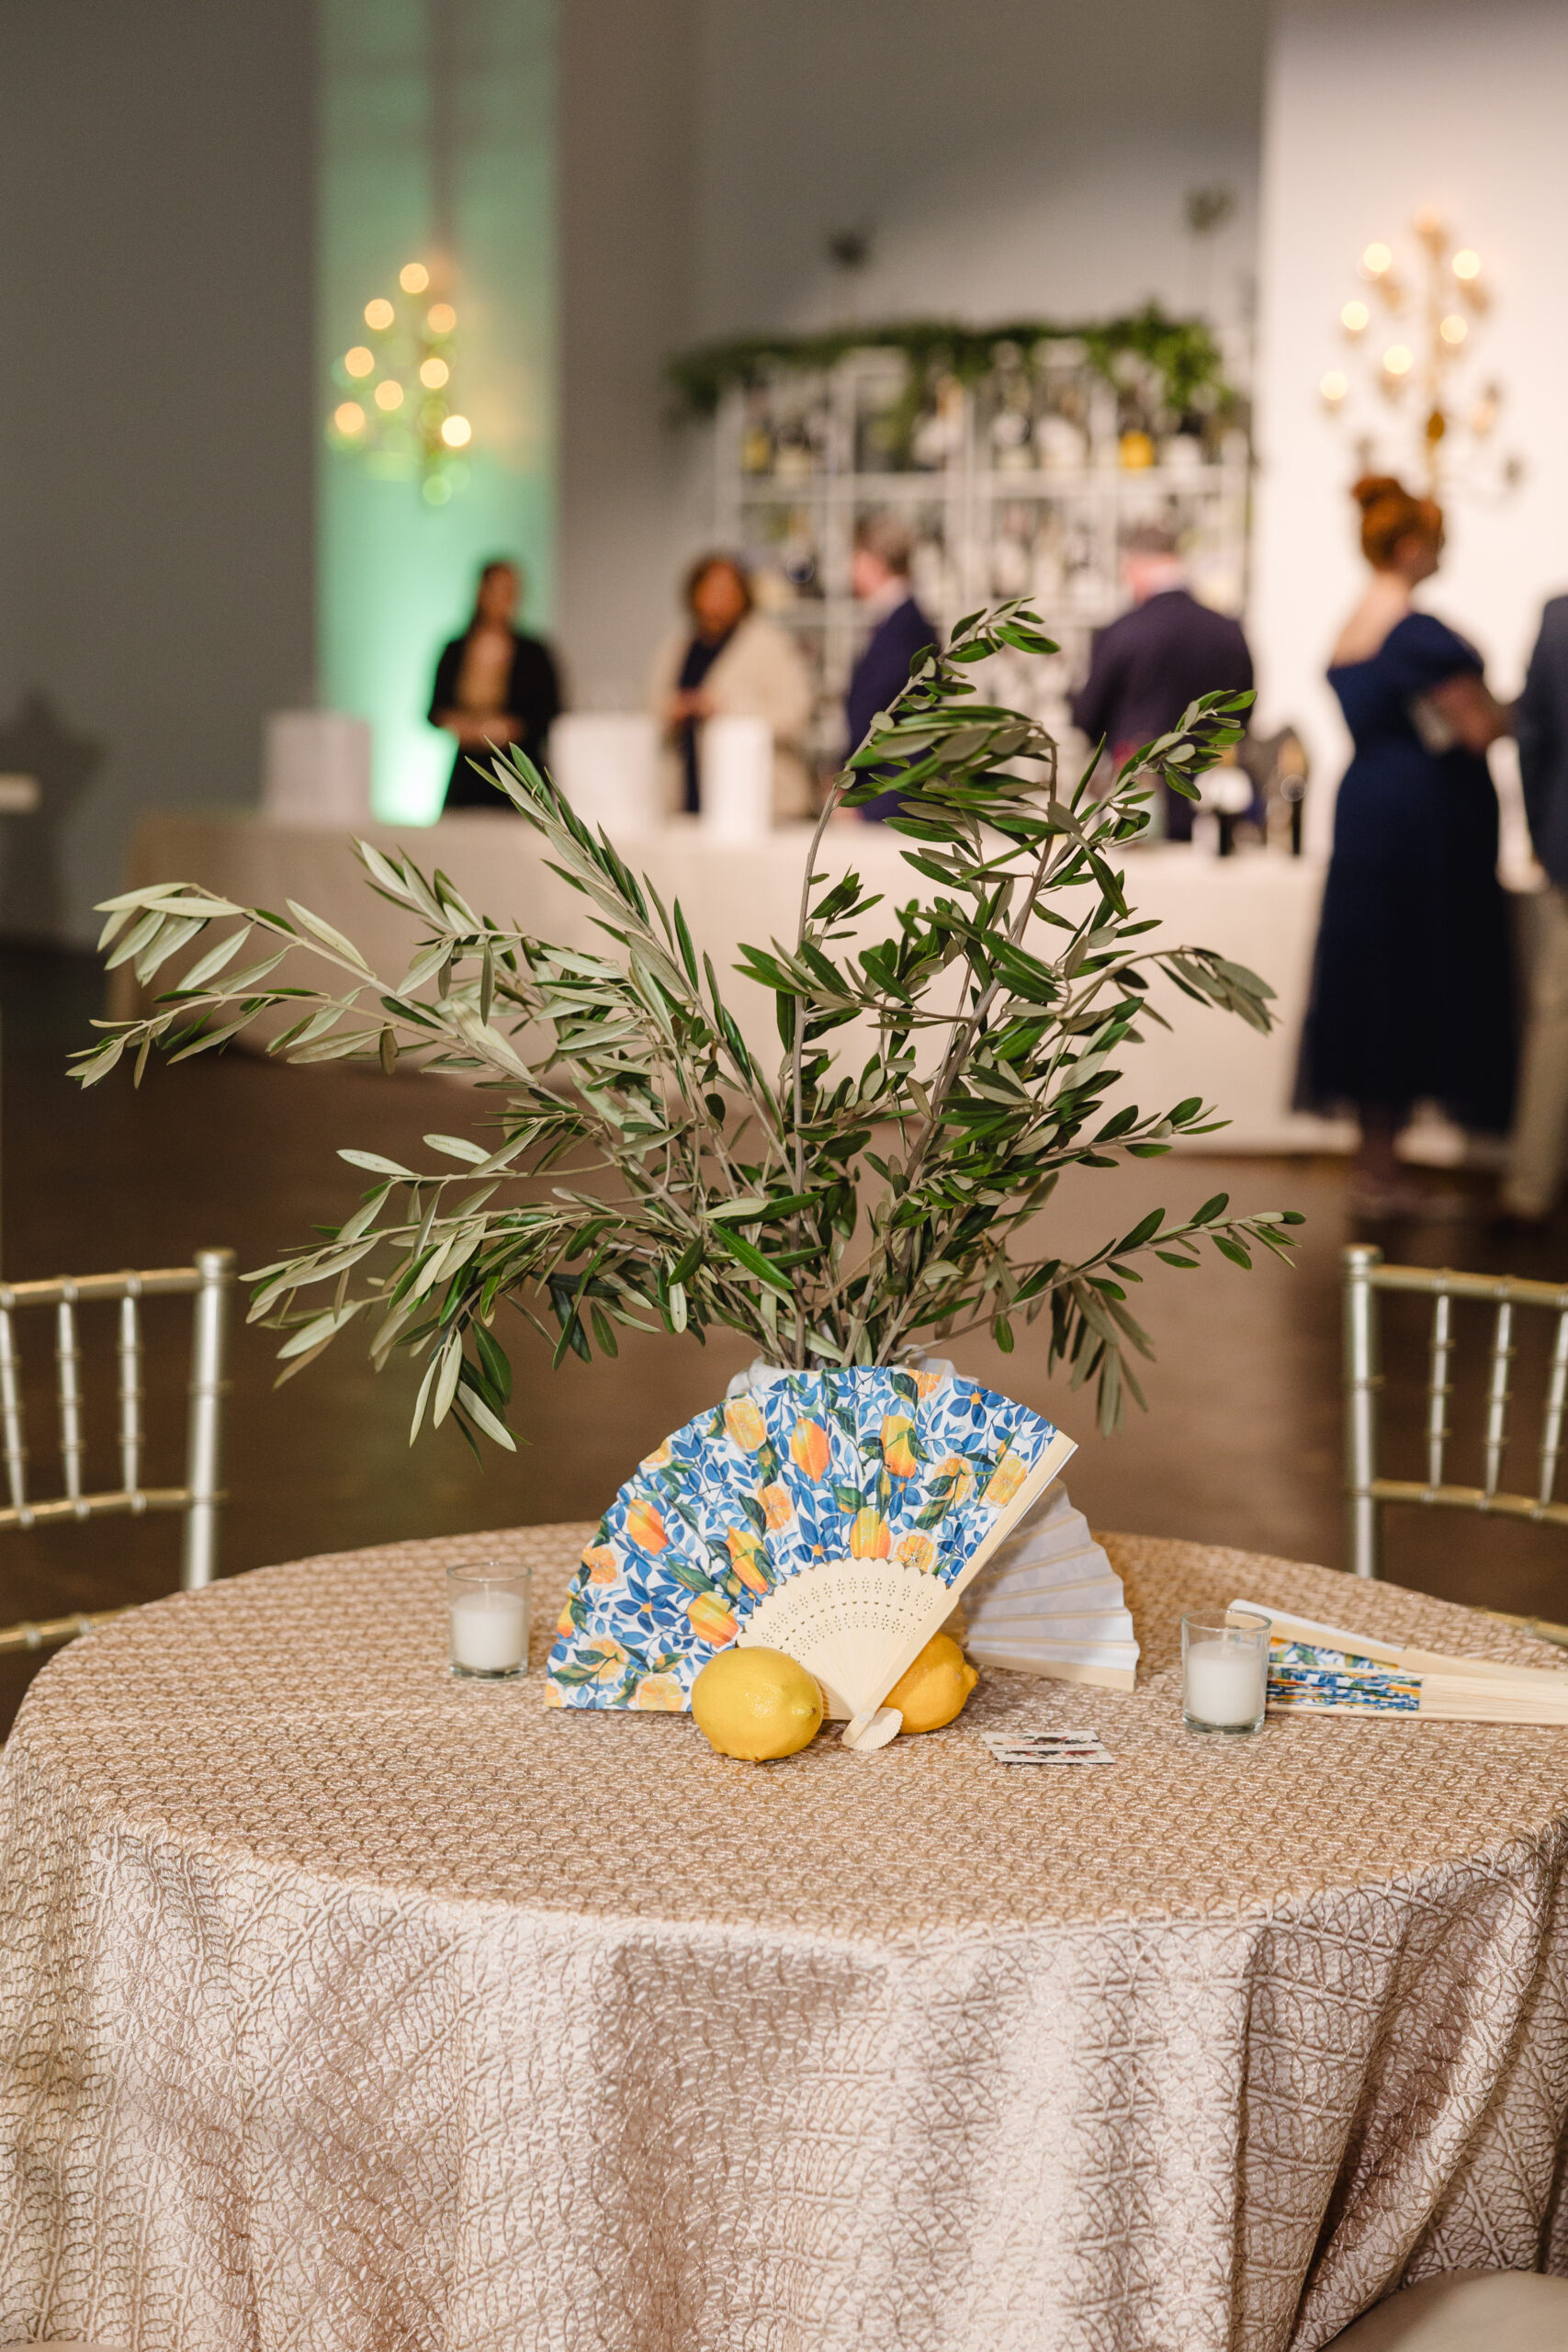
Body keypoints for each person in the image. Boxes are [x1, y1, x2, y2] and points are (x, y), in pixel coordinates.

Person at [1296, 476, 1515, 1216]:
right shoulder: (1416, 633)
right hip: (1422, 824)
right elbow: (1477, 728)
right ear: (1412, 546)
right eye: (1440, 542)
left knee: (1372, 979)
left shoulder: (1353, 623)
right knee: (1413, 977)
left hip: (1368, 812)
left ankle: (1376, 1163)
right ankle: (1385, 1171)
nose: (1445, 553)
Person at [1070, 523, 1254, 840]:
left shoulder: (1123, 632)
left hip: (1135, 807)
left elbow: (1088, 718)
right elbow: (1244, 712)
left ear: (1136, 566)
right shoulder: (1228, 632)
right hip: (1213, 806)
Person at [648, 553, 815, 820]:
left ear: (744, 595)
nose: (718, 598)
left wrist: (725, 711)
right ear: (693, 593)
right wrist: (673, 710)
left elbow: (795, 714)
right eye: (710, 589)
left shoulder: (769, 645)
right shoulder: (676, 648)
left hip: (762, 802)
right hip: (688, 799)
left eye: (727, 589)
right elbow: (650, 713)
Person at [1502, 595, 1568, 1221]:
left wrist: (1543, 837)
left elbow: (1532, 737)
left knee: (1557, 1017)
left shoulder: (1558, 617)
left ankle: (1530, 1187)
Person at [429, 559, 563, 810]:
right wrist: (467, 728)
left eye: (510, 591)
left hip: (520, 772)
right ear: (481, 592)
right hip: (468, 772)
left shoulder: (534, 652)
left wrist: (508, 729)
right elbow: (434, 709)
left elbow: (551, 710)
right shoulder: (456, 649)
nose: (503, 599)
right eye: (497, 590)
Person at [844, 517, 939, 820]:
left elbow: (878, 711)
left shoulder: (904, 627)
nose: (850, 568)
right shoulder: (899, 620)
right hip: (888, 787)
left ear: (876, 561)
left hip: (892, 790)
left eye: (856, 557)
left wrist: (851, 783)